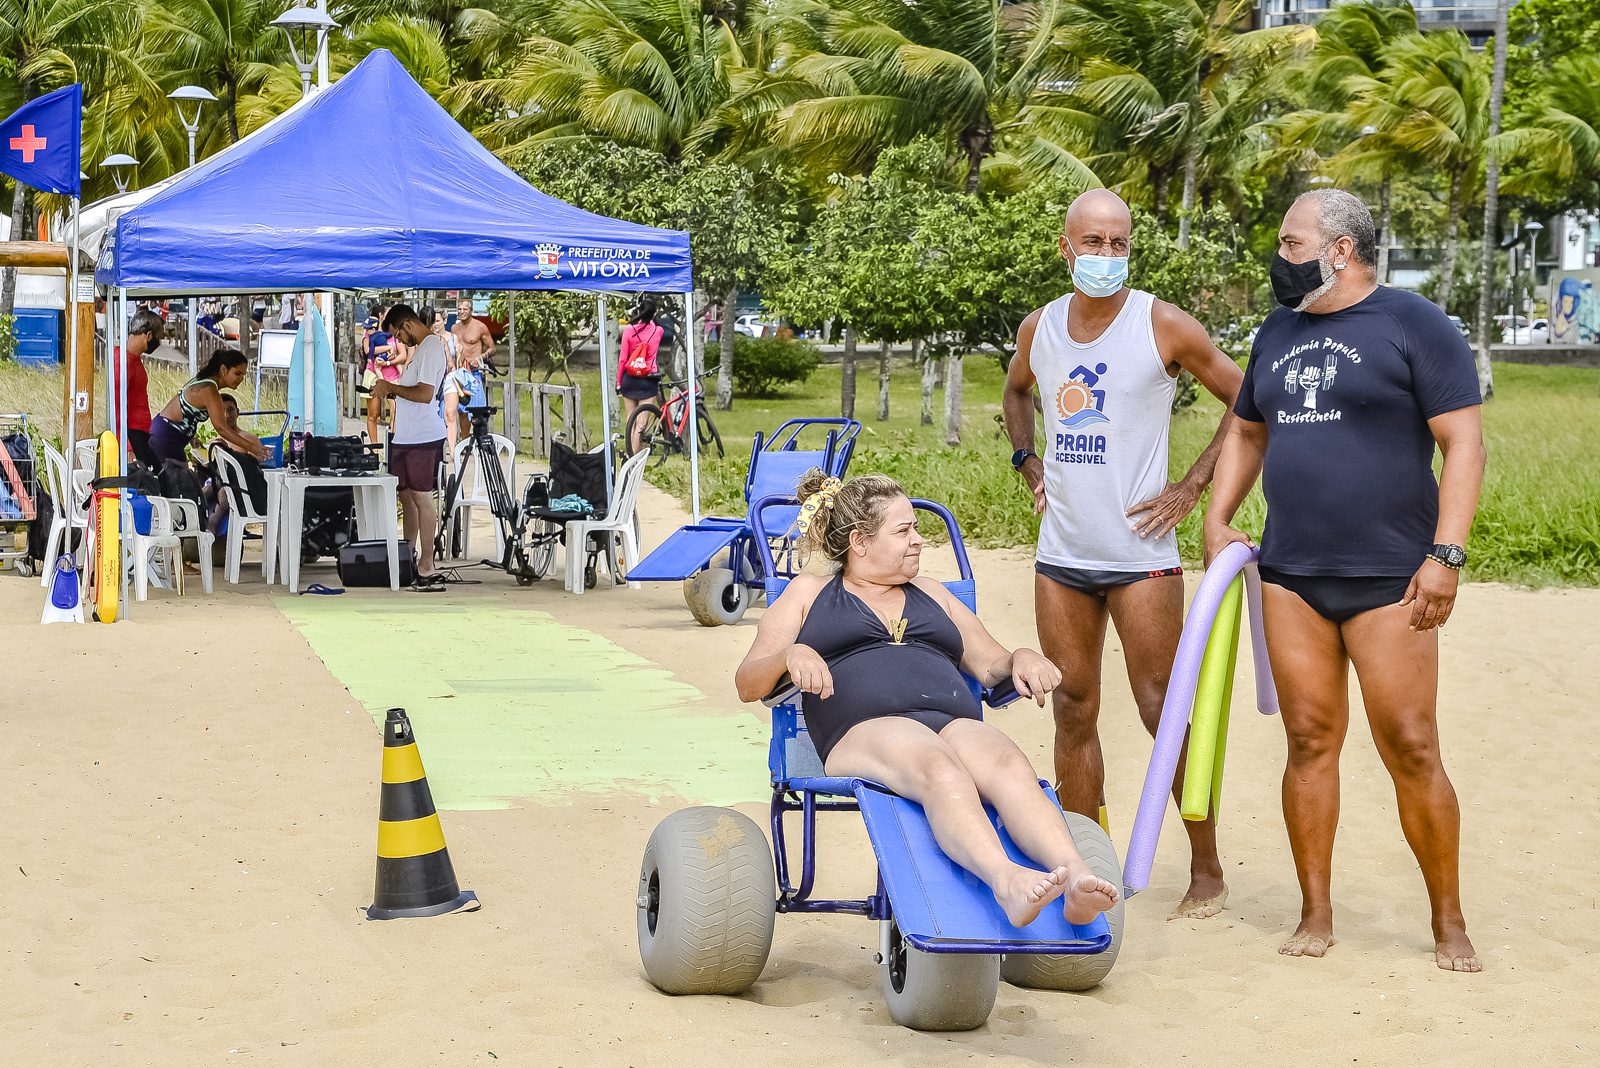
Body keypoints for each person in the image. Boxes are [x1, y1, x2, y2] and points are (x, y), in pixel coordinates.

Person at [1205, 190, 1486, 972]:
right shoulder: (1278, 331)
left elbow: (1463, 443)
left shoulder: (1413, 323)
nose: (1279, 256)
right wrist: (1218, 515)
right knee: (1307, 741)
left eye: (1291, 242)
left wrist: (1446, 555)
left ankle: (1448, 920)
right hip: (1292, 576)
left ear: (1338, 251)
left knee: (1412, 744)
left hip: (1391, 580)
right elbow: (1249, 426)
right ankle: (1316, 910)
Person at [1002, 188, 1245, 920]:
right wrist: (1027, 460)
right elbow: (1016, 395)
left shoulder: (1161, 323)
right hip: (1063, 556)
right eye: (1094, 243)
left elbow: (1248, 398)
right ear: (1065, 246)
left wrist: (1195, 484)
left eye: (1119, 244)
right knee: (1072, 709)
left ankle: (1205, 867)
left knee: (1159, 707)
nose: (1106, 257)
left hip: (1142, 560)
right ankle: (1088, 864)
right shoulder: (1039, 328)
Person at [735, 471, 1120, 928]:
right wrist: (790, 654)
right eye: (904, 531)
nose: (919, 540)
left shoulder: (934, 593)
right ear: (859, 542)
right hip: (864, 728)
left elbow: (990, 662)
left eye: (917, 528)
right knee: (938, 765)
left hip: (949, 721)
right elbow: (748, 681)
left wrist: (1021, 658)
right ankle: (1006, 880)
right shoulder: (809, 593)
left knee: (1006, 761)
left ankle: (1075, 877)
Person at [372, 303, 450, 589]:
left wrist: (391, 388)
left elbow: (425, 393)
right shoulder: (419, 352)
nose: (398, 342)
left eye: (397, 335)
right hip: (404, 435)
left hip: (423, 436)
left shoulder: (431, 347)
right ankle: (409, 554)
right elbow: (410, 392)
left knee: (421, 497)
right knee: (406, 498)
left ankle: (427, 562)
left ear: (407, 325)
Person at [150, 349, 269, 467]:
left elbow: (180, 411)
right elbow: (222, 429)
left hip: (163, 432)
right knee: (178, 482)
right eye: (237, 373)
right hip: (165, 438)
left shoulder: (202, 381)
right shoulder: (209, 390)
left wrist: (191, 437)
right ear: (223, 370)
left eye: (243, 375)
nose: (241, 379)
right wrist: (252, 447)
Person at [110, 308, 163, 468]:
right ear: (148, 335)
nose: (158, 343)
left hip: (140, 434)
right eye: (158, 338)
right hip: (131, 436)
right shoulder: (122, 361)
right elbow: (116, 403)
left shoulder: (133, 359)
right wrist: (126, 445)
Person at [618, 297, 665, 453]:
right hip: (648, 380)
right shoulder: (658, 331)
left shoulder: (628, 331)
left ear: (639, 311)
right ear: (654, 313)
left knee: (630, 420)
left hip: (629, 378)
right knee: (641, 423)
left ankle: (627, 454)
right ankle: (634, 459)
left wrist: (619, 382)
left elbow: (623, 358)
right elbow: (652, 326)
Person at [451, 296, 496, 379]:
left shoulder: (480, 327)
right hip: (459, 370)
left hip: (475, 370)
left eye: (465, 309)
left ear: (471, 311)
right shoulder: (454, 328)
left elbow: (492, 349)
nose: (461, 312)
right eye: (459, 309)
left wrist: (481, 357)